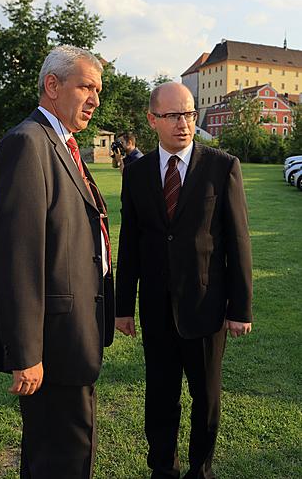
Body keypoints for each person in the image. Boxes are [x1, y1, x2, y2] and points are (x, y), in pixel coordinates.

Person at [0, 45, 115, 479]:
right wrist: (26, 351)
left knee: (67, 453)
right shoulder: (27, 143)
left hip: (75, 336)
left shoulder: (62, 144)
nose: (96, 99)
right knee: (58, 459)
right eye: (86, 86)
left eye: (98, 89)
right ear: (52, 86)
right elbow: (16, 258)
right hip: (52, 344)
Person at [115, 82, 252, 479]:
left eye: (190, 114)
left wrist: (240, 308)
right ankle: (163, 469)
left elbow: (239, 242)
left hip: (206, 308)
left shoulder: (222, 166)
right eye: (174, 115)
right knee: (160, 396)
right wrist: (124, 307)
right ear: (152, 119)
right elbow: (132, 243)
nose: (184, 124)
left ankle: (200, 470)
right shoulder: (137, 173)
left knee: (205, 398)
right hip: (156, 308)